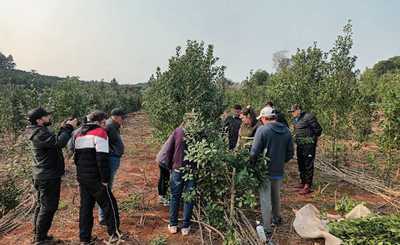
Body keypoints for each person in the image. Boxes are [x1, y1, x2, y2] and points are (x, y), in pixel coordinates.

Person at [26, 107, 78, 245]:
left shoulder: (37, 131)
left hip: (43, 174)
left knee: (42, 205)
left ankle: (39, 234)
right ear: (39, 120)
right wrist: (68, 127)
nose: (49, 117)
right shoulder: (38, 133)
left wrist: (63, 128)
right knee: (48, 207)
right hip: (47, 176)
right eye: (46, 116)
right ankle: (40, 239)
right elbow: (59, 143)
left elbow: (54, 141)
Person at [72, 110, 121, 244]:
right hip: (96, 178)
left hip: (83, 177)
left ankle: (84, 239)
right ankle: (114, 234)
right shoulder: (100, 133)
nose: (106, 125)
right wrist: (105, 179)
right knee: (109, 205)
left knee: (85, 208)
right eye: (104, 122)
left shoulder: (79, 134)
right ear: (99, 122)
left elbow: (76, 158)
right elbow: (102, 159)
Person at [250, 106, 294, 240]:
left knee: (265, 199)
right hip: (278, 169)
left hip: (264, 170)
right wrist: (281, 161)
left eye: (261, 119)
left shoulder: (262, 130)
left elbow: (254, 152)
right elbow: (290, 153)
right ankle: (276, 218)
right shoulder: (286, 131)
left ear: (264, 118)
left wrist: (252, 166)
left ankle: (267, 228)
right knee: (276, 196)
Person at [168, 114, 196, 236]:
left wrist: (171, 166)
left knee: (175, 197)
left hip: (177, 169)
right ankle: (185, 226)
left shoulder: (177, 131)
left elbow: (169, 149)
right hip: (191, 170)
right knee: (189, 197)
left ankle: (173, 224)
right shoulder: (197, 133)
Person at [98, 108, 126, 225]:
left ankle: (104, 214)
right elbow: (102, 142)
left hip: (113, 158)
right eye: (122, 117)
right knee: (106, 188)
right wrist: (110, 152)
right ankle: (103, 216)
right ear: (116, 116)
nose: (123, 120)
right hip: (110, 159)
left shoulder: (113, 125)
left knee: (108, 187)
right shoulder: (109, 126)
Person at [289, 104, 322, 195]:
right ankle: (303, 182)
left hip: (308, 146)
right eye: (291, 112)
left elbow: (318, 130)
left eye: (293, 111)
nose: (292, 113)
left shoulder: (309, 116)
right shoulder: (296, 120)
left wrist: (311, 140)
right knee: (301, 163)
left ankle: (308, 185)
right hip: (300, 145)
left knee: (308, 164)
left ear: (299, 110)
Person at [155, 132, 175, 206]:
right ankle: (163, 198)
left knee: (163, 177)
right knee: (164, 178)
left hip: (161, 158)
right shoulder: (179, 136)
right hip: (164, 160)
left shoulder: (175, 133)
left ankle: (161, 196)